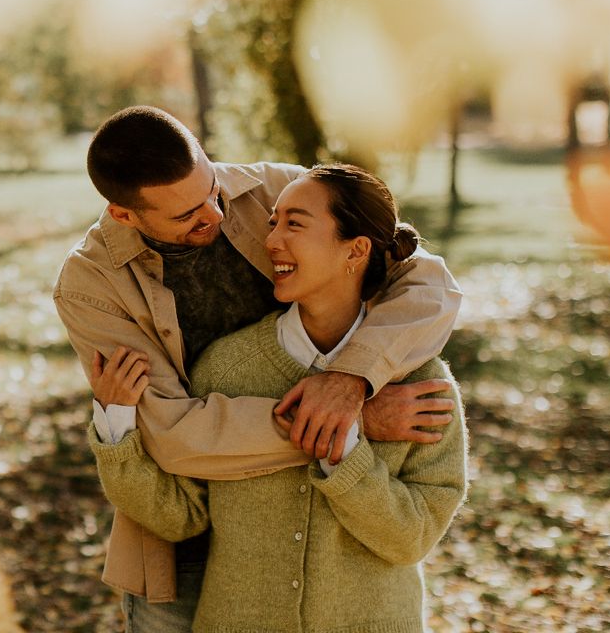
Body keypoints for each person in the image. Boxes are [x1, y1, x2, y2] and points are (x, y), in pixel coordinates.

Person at [54, 107, 461, 630]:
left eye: (211, 190)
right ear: (124, 215)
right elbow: (174, 436)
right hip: (182, 541)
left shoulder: (279, 192)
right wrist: (348, 424)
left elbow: (425, 278)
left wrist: (351, 379)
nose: (215, 214)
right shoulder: (90, 284)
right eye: (187, 215)